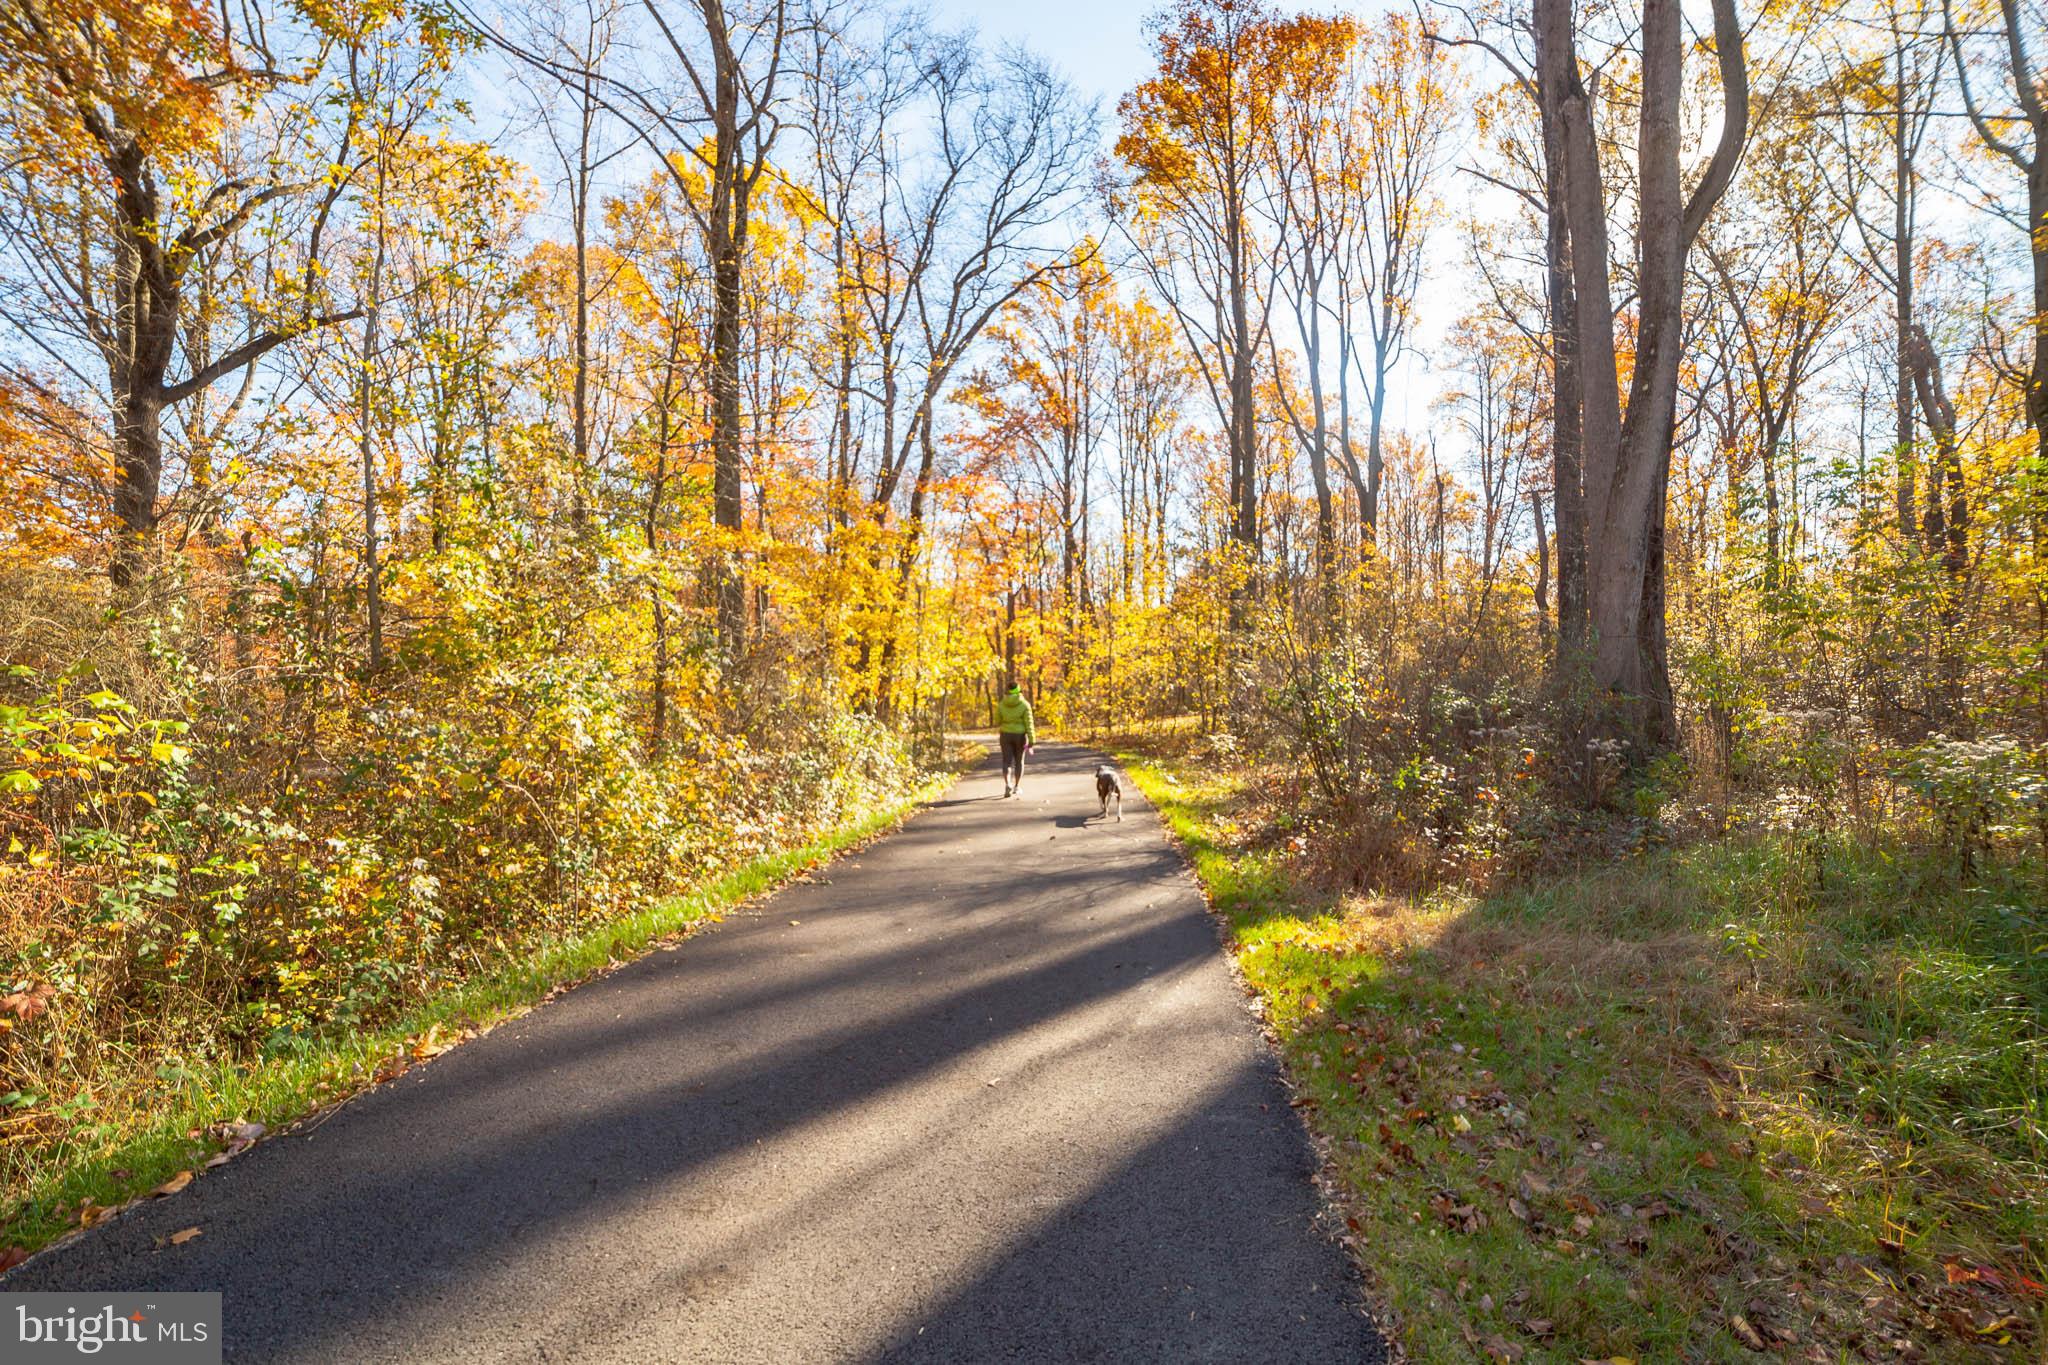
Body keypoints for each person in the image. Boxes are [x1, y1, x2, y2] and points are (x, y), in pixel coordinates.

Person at [994, 682, 1034, 797]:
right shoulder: (1025, 704)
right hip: (1020, 736)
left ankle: (1008, 784)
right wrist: (1032, 739)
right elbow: (1029, 723)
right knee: (1019, 761)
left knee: (1006, 761)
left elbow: (997, 720)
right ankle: (1016, 786)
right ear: (1019, 691)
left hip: (1005, 735)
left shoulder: (1002, 704)